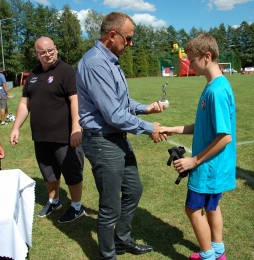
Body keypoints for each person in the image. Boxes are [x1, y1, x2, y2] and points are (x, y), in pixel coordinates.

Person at [76, 12, 166, 260]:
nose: (131, 43)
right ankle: (108, 255)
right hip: (102, 141)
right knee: (110, 207)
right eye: (128, 38)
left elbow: (122, 101)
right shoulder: (95, 63)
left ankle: (122, 240)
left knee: (134, 190)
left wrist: (145, 107)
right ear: (112, 35)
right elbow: (114, 114)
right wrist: (150, 128)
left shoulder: (110, 60)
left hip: (116, 139)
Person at [160, 34, 236, 260]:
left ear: (207, 56)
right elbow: (204, 126)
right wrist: (173, 129)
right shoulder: (213, 85)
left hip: (209, 167)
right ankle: (219, 251)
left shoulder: (217, 91)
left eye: (192, 60)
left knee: (193, 208)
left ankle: (208, 256)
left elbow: (225, 137)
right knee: (212, 207)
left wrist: (194, 161)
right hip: (214, 166)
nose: (189, 64)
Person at [10, 36, 85, 223]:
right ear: (36, 54)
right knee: (48, 172)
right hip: (41, 136)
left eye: (50, 50)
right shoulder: (33, 76)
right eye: (42, 52)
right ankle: (54, 201)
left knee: (72, 171)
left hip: (64, 136)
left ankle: (77, 206)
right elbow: (24, 103)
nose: (47, 55)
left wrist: (76, 127)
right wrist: (15, 127)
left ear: (56, 49)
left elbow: (75, 100)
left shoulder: (66, 71)